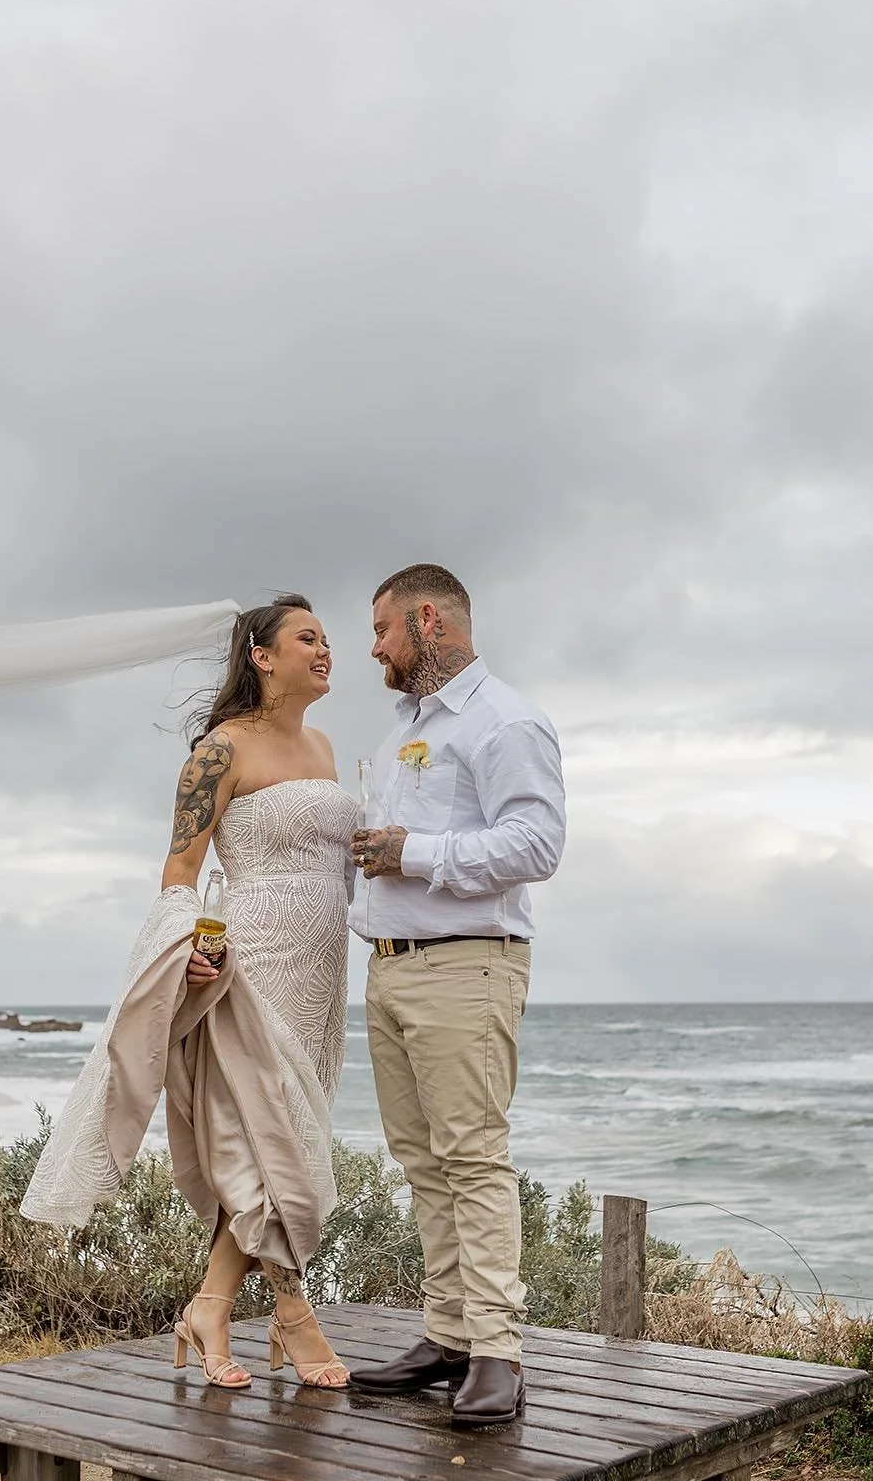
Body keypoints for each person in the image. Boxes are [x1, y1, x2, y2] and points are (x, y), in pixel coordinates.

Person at [21, 594, 354, 1390]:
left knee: (275, 1141)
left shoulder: (326, 746)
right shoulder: (218, 749)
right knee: (271, 1147)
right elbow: (180, 870)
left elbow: (330, 863)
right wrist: (190, 954)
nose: (326, 649)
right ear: (262, 656)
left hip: (322, 970)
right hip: (249, 965)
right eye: (308, 638)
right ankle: (291, 1314)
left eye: (328, 639)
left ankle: (209, 1308)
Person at [347, 564, 565, 1429]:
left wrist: (415, 852)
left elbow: (538, 843)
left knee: (471, 1157)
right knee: (420, 1161)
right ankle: (448, 1335)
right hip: (391, 965)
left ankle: (498, 1354)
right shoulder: (407, 725)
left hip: (467, 964)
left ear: (427, 620)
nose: (373, 649)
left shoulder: (504, 719)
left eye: (381, 631)